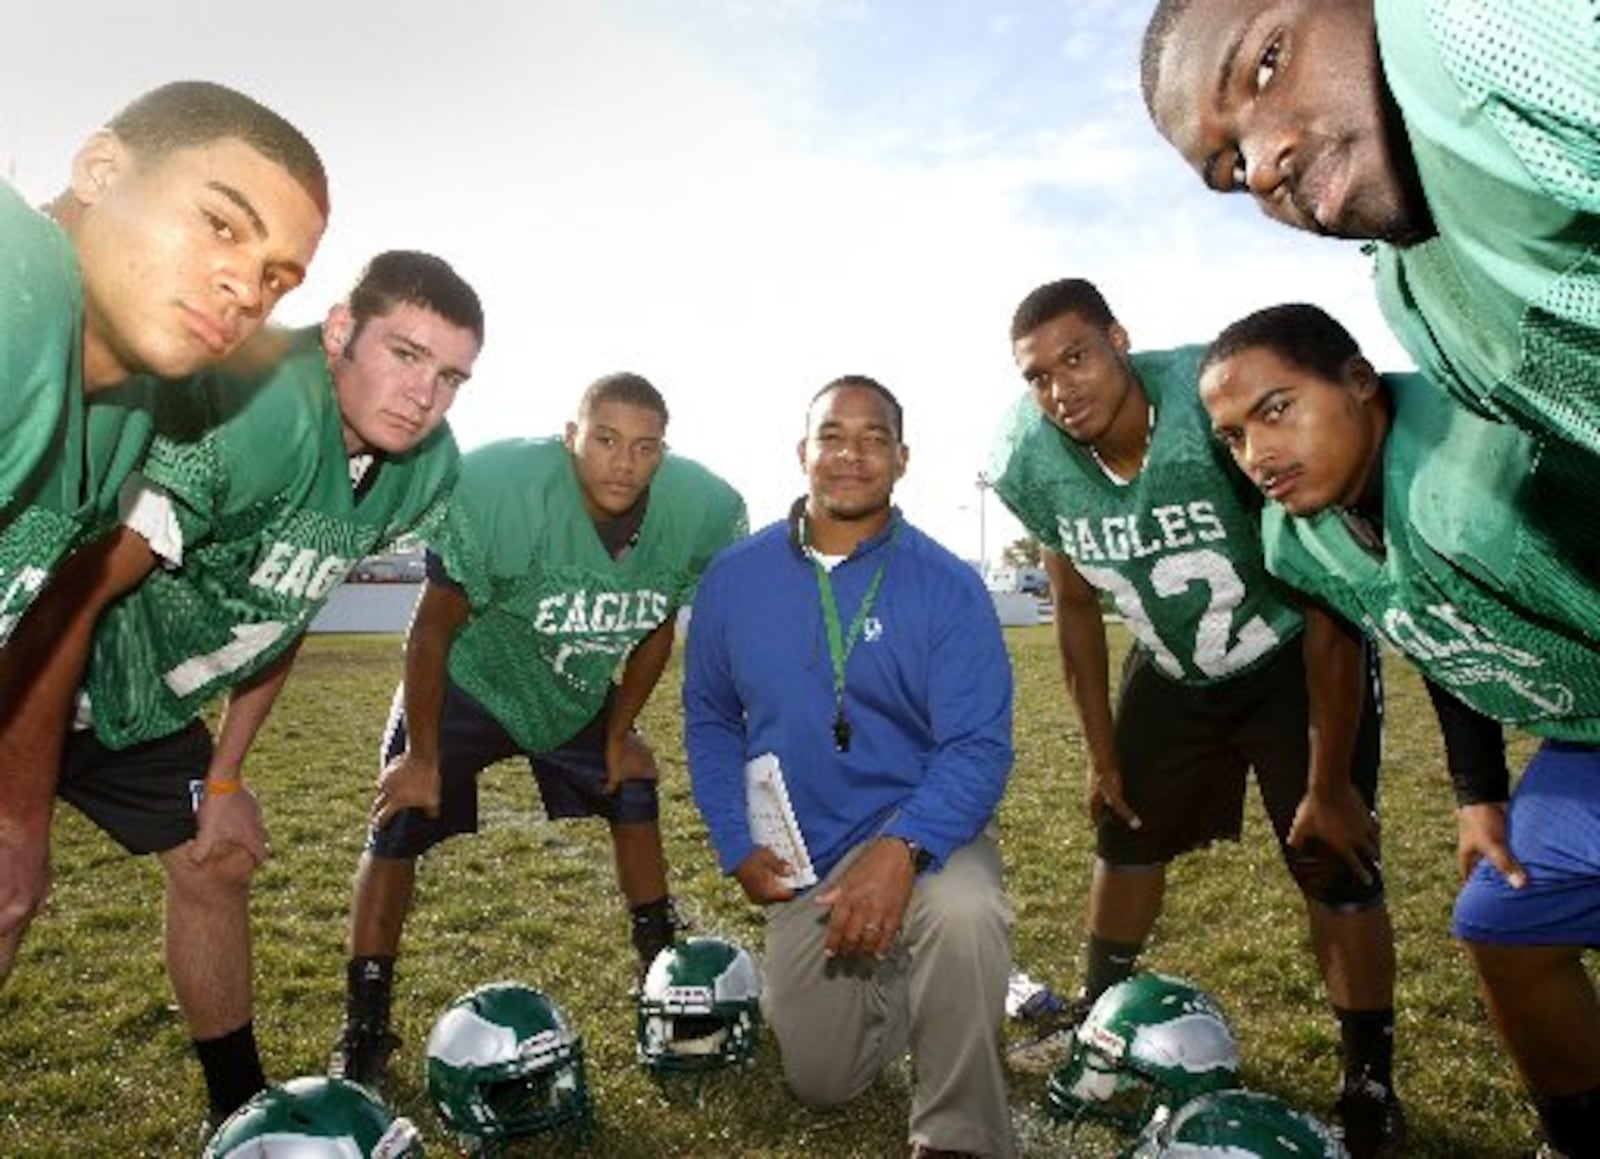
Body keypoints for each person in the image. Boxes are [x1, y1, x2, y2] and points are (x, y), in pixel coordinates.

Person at [0, 250, 479, 1125]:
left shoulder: (421, 464)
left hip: (134, 698)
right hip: (32, 666)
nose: (425, 394)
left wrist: (225, 777)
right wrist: (19, 814)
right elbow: (75, 592)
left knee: (218, 857)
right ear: (340, 330)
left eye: (450, 376)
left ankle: (241, 1116)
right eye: (405, 355)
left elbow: (286, 607)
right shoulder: (255, 406)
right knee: (6, 894)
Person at [990, 279, 1402, 1156]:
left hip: (1292, 643)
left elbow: (1328, 584)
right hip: (1175, 658)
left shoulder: (1207, 410)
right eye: (1038, 375)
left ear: (1120, 342)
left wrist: (1329, 779)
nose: (1062, 387)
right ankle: (1098, 1015)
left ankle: (1369, 1071)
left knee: (1334, 855)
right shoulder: (1031, 456)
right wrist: (1101, 752)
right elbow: (1070, 605)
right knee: (1124, 830)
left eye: (1077, 356)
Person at [1198, 301, 1600, 1158]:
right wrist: (1477, 795)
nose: (1258, 454)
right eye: (1233, 436)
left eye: (1276, 409)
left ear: (1358, 380)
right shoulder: (1298, 534)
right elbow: (1436, 626)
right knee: (1506, 924)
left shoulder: (1496, 465)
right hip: (1584, 738)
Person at [335, 371, 747, 1088]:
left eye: (645, 446)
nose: (625, 461)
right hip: (472, 676)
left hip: (567, 684)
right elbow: (431, 629)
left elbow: (656, 625)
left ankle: (660, 971)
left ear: (664, 450)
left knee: (634, 786)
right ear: (571, 437)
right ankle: (365, 1025)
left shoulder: (698, 507)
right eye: (607, 439)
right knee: (399, 814)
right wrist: (423, 753)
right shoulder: (504, 485)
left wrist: (622, 730)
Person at [0, 78, 329, 959]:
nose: (244, 286)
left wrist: (18, 813)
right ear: (100, 168)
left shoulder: (128, 415)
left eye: (276, 276)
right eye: (222, 223)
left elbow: (47, 618)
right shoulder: (18, 286)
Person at [684, 375, 1016, 1159]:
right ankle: (923, 977)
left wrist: (903, 851)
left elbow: (978, 745)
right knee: (823, 1082)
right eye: (833, 435)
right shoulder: (734, 578)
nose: (851, 455)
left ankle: (958, 1135)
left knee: (964, 907)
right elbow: (709, 717)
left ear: (902, 459)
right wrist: (735, 841)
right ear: (803, 453)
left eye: (873, 439)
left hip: (921, 831)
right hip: (809, 854)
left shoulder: (949, 586)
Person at [1140, 0, 1600, 458]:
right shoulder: (1421, 314)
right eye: (1236, 170)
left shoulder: (1474, 25)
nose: (1261, 171)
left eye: (1267, 65)